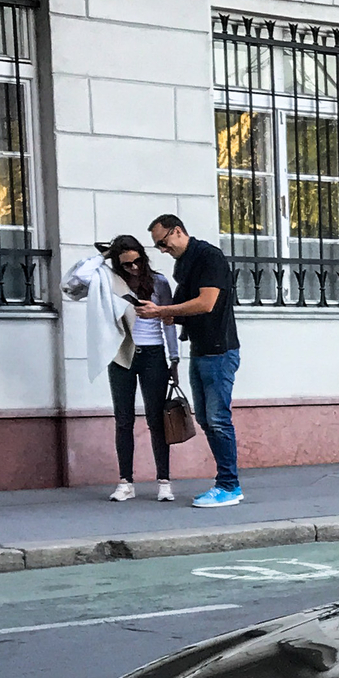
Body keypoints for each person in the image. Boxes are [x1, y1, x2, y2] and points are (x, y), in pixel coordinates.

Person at [63, 235, 182, 501]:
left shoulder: (159, 282)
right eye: (127, 264)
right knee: (123, 419)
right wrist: (103, 257)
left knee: (156, 420)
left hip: (153, 353)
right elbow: (75, 281)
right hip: (121, 354)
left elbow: (169, 322)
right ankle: (125, 482)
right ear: (117, 263)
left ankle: (164, 481)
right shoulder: (108, 281)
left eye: (138, 261)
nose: (134, 268)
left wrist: (174, 358)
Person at [139, 214, 243, 507]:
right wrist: (169, 313)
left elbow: (206, 302)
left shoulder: (209, 257)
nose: (162, 249)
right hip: (200, 349)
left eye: (163, 242)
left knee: (219, 420)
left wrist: (162, 312)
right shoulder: (183, 264)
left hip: (219, 351)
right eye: (157, 246)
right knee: (207, 421)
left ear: (178, 231)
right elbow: (185, 307)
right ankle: (225, 483)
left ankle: (229, 486)